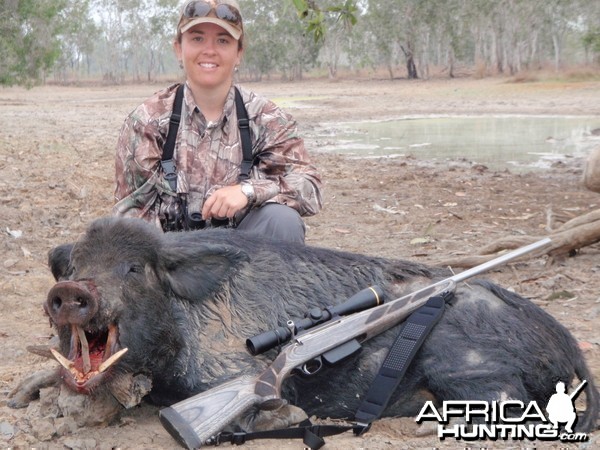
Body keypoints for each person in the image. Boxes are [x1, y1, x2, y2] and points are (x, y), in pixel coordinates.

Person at [113, 0, 322, 243]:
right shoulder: (146, 121)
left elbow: (310, 187)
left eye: (223, 40)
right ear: (178, 49)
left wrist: (248, 191)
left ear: (239, 53)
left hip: (247, 264)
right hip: (172, 266)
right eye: (197, 38)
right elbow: (130, 216)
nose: (209, 50)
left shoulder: (267, 118)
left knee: (282, 221)